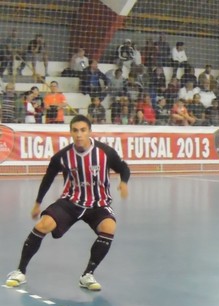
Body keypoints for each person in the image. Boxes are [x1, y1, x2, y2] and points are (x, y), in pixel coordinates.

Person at [5, 115, 130, 291]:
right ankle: (20, 271)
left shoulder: (105, 153)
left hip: (98, 204)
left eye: (83, 130)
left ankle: (87, 275)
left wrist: (124, 183)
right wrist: (37, 202)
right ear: (70, 132)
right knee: (43, 225)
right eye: (75, 130)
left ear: (90, 132)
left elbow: (124, 168)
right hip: (71, 201)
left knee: (109, 227)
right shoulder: (62, 157)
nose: (79, 134)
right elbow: (48, 178)